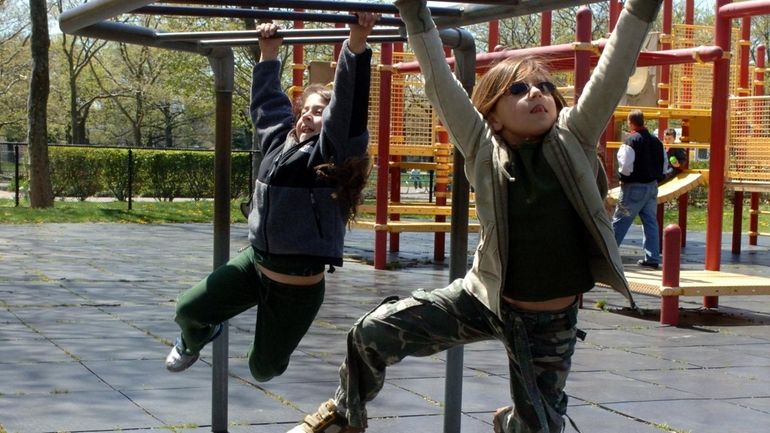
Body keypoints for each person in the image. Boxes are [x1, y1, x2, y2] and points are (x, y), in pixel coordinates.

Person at [288, 1, 660, 432]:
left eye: (543, 87)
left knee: (539, 426)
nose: (536, 93)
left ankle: (514, 423)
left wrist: (640, 8)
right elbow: (439, 83)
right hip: (484, 301)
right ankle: (344, 414)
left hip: (550, 322)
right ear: (493, 115)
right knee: (371, 331)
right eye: (518, 90)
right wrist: (415, 14)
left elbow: (614, 68)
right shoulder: (484, 149)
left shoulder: (575, 138)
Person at [164, 13, 377, 381]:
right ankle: (199, 336)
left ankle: (268, 345)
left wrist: (355, 43)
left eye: (319, 112)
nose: (308, 117)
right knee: (188, 310)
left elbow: (347, 109)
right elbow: (267, 107)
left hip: (297, 289)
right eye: (305, 110)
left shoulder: (331, 156)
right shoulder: (281, 144)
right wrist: (269, 54)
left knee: (263, 368)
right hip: (255, 264)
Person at [612, 110, 666, 269]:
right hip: (652, 186)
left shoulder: (630, 141)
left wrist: (622, 177)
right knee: (650, 223)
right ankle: (652, 257)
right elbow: (664, 165)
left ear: (630, 122)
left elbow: (626, 165)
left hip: (633, 187)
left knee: (620, 221)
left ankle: (608, 255)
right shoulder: (657, 141)